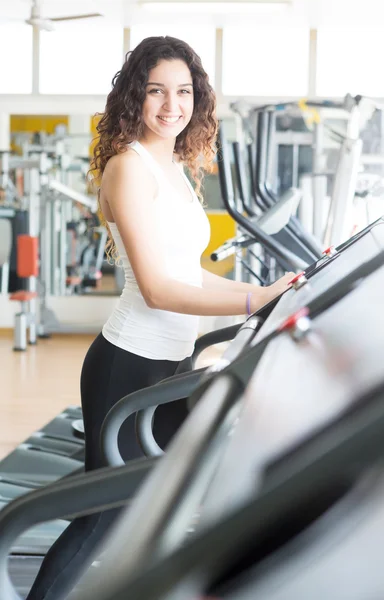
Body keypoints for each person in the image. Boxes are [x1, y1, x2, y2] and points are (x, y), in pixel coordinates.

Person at [26, 35, 294, 600]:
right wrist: (254, 300)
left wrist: (267, 293)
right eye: (156, 91)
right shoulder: (129, 167)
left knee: (164, 496)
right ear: (135, 97)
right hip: (126, 364)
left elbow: (190, 274)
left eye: (183, 91)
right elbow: (157, 288)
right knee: (102, 513)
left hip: (169, 362)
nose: (172, 104)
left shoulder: (174, 165)